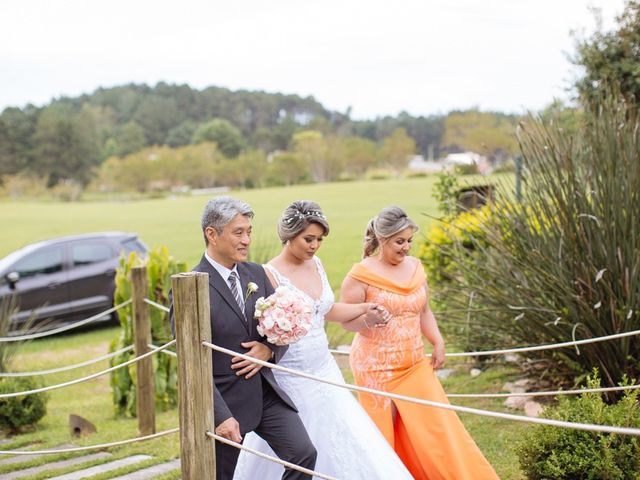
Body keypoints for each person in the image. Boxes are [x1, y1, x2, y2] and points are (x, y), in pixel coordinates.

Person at [234, 201, 413, 480]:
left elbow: (326, 311)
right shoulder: (267, 273)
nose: (315, 246)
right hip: (293, 373)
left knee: (347, 436)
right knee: (300, 442)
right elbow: (260, 325)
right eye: (308, 239)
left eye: (319, 239)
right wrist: (266, 346)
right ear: (289, 235)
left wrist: (364, 309)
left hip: (325, 369)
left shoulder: (316, 264)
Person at [340, 206, 500, 480]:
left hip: (414, 363)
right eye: (399, 242)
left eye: (409, 241)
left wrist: (437, 340)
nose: (406, 248)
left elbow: (424, 310)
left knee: (437, 427)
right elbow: (346, 321)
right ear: (382, 239)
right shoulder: (360, 275)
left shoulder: (415, 267)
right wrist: (370, 319)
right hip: (376, 369)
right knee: (384, 435)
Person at [170, 196, 317, 480]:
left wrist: (269, 350)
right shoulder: (190, 286)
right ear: (211, 234)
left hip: (265, 394)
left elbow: (283, 326)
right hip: (223, 402)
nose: (247, 239)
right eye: (239, 232)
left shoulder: (257, 273)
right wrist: (219, 415)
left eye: (249, 231)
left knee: (303, 455)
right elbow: (189, 365)